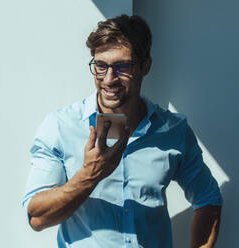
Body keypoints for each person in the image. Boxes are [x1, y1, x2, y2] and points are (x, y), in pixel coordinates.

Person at [22, 15, 222, 248]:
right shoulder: (60, 126)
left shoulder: (173, 130)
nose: (109, 79)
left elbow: (208, 198)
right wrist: (90, 174)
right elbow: (37, 218)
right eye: (101, 66)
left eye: (122, 67)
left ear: (145, 66)